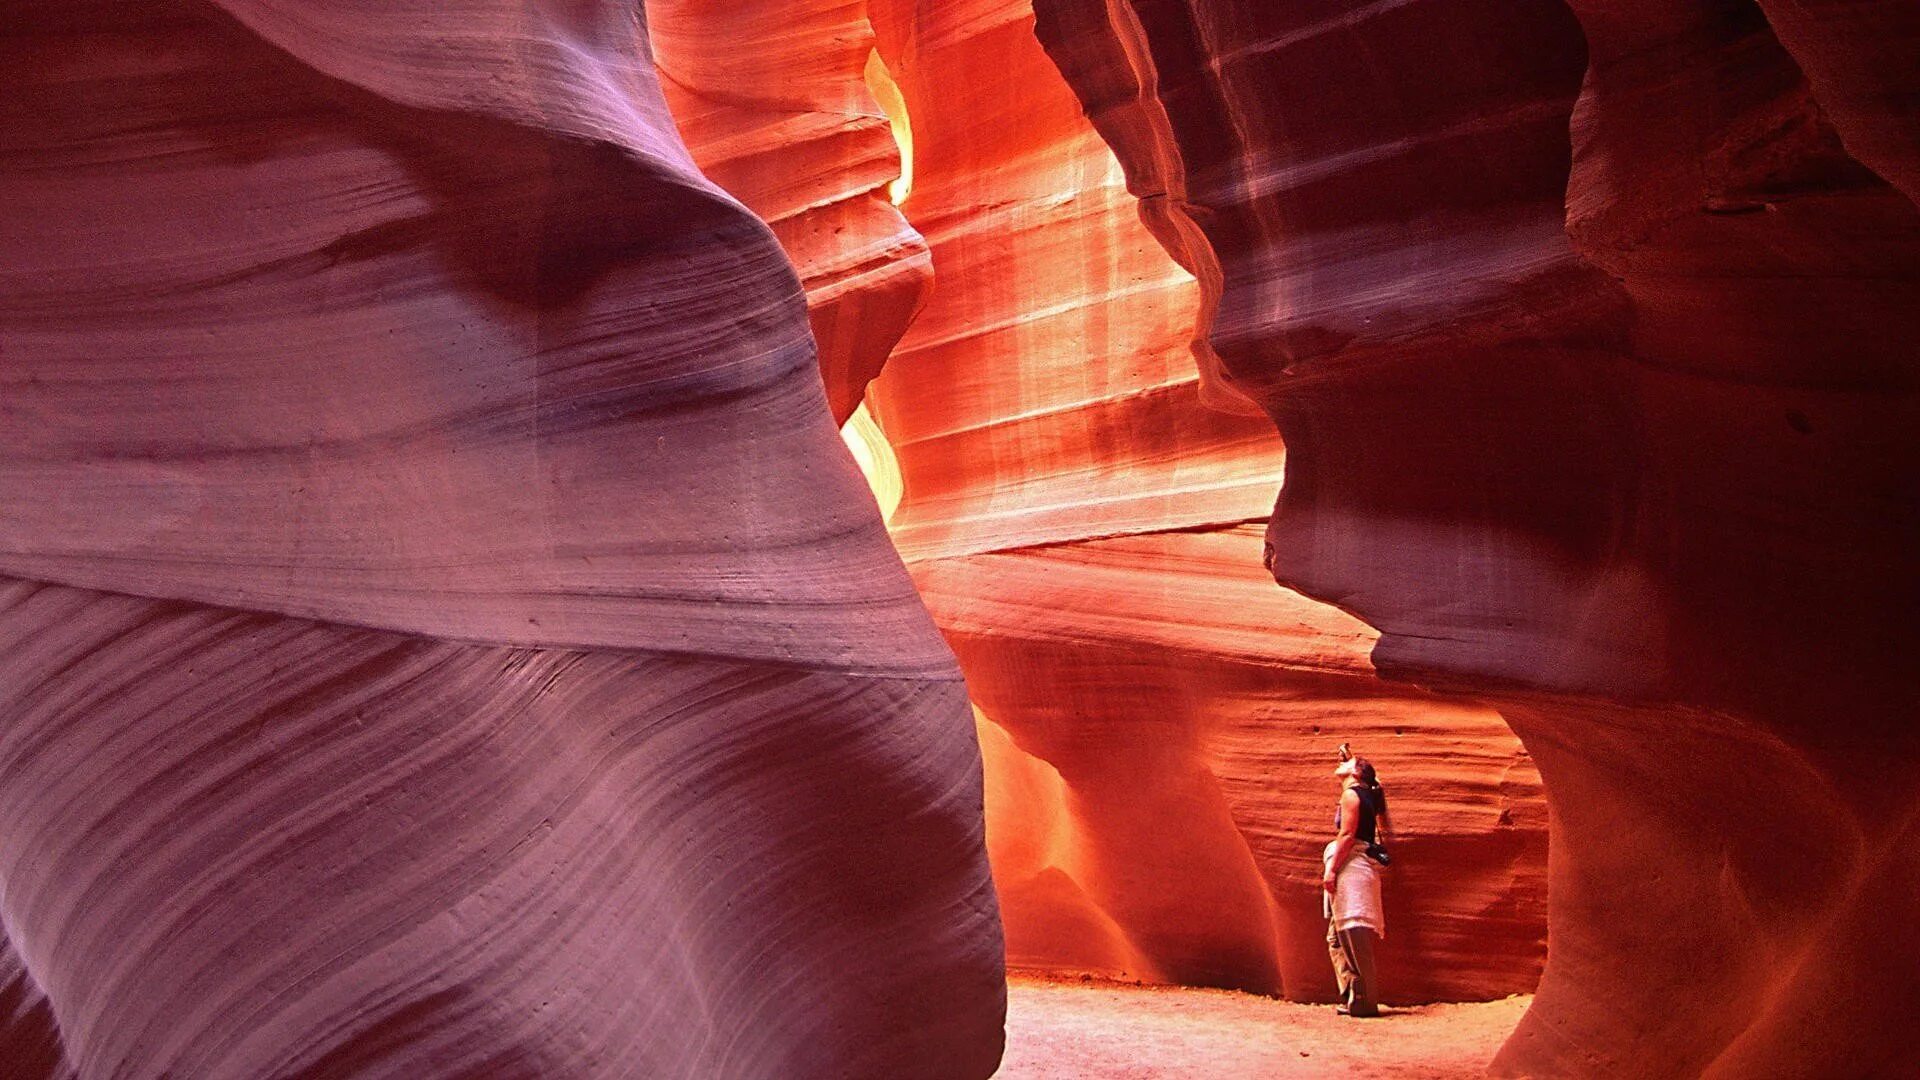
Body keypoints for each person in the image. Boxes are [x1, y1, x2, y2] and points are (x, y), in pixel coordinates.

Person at [1323, 749, 1390, 1016]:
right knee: (1337, 937)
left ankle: (1366, 1002)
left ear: (1356, 773)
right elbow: (1374, 783)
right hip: (1357, 866)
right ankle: (1355, 995)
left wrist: (1331, 871)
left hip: (1350, 866)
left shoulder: (1351, 795)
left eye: (1347, 763)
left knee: (1352, 936)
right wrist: (1351, 759)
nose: (1340, 764)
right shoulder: (1369, 794)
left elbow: (1348, 834)